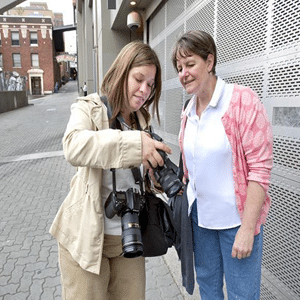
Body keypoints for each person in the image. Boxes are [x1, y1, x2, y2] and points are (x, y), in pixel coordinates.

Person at [49, 41, 171, 300]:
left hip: (129, 237)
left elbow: (138, 181)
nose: (144, 90)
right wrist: (135, 144)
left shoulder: (143, 121)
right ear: (121, 71)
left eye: (150, 85)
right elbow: (73, 146)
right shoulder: (89, 107)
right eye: (139, 79)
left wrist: (156, 177)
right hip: (86, 238)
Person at [172, 30, 273, 299]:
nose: (183, 73)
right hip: (200, 221)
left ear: (210, 61)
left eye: (190, 64)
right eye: (179, 68)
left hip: (236, 223)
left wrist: (248, 228)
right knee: (209, 290)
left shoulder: (242, 101)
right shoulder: (188, 110)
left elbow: (260, 170)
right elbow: (191, 166)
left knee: (242, 294)